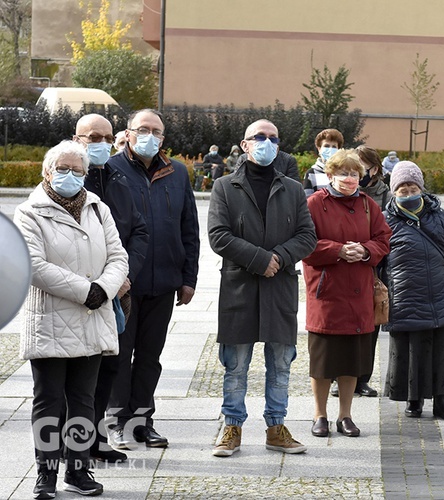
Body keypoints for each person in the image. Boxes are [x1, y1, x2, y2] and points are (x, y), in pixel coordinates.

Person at [15, 140, 129, 498]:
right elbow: (32, 265)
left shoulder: (98, 209)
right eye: (62, 169)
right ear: (47, 172)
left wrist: (104, 289)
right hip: (51, 319)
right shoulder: (29, 212)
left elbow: (118, 257)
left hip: (92, 316)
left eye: (77, 170)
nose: (70, 175)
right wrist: (86, 290)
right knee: (48, 400)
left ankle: (78, 472)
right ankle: (45, 476)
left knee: (83, 399)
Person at [208, 119, 317, 457]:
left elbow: (307, 236)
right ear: (245, 145)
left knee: (281, 364)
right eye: (259, 137)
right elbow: (218, 235)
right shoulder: (225, 186)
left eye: (272, 138)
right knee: (236, 365)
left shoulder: (293, 188)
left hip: (279, 288)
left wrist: (279, 258)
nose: (266, 143)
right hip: (240, 287)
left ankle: (276, 427)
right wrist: (259, 259)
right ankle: (232, 428)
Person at [107, 109, 200, 450]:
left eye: (156, 131)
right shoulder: (109, 170)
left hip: (164, 281)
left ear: (163, 137)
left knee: (150, 356)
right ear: (128, 133)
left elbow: (189, 225)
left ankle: (143, 421)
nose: (150, 135)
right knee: (119, 354)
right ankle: (117, 421)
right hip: (123, 284)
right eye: (143, 129)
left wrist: (188, 276)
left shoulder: (177, 172)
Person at [74, 114, 149, 464]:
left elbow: (138, 232)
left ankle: (97, 438)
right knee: (79, 377)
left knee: (110, 369)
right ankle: (76, 444)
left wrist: (121, 276)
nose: (100, 143)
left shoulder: (119, 179)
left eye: (106, 136)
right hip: (82, 295)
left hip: (117, 294)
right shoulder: (68, 181)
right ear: (77, 140)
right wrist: (103, 282)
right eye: (92, 137)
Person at [303, 149, 391, 439]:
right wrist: (337, 250)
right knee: (323, 360)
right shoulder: (315, 203)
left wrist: (366, 250)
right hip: (326, 291)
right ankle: (320, 415)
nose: (349, 178)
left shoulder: (368, 205)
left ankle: (345, 415)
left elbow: (384, 239)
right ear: (330, 175)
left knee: (352, 359)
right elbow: (305, 243)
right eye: (343, 173)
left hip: (358, 291)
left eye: (354, 173)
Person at [383, 161, 444, 420]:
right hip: (403, 295)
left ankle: (441, 400)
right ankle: (413, 399)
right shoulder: (385, 219)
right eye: (402, 189)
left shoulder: (439, 215)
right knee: (408, 350)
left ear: (422, 188)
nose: (408, 192)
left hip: (438, 292)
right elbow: (378, 259)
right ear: (393, 192)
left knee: (439, 350)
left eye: (412, 187)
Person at [353, 145, 393, 397]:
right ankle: (341, 376)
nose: (354, 173)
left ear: (374, 169)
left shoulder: (386, 195)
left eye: (360, 168)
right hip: (346, 264)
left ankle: (362, 379)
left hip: (374, 266)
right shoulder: (344, 191)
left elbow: (387, 231)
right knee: (346, 322)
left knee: (370, 324)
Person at [302, 128, 344, 196]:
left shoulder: (345, 172)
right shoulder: (311, 173)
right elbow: (307, 200)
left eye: (334, 147)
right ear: (319, 149)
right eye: (326, 146)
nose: (330, 149)